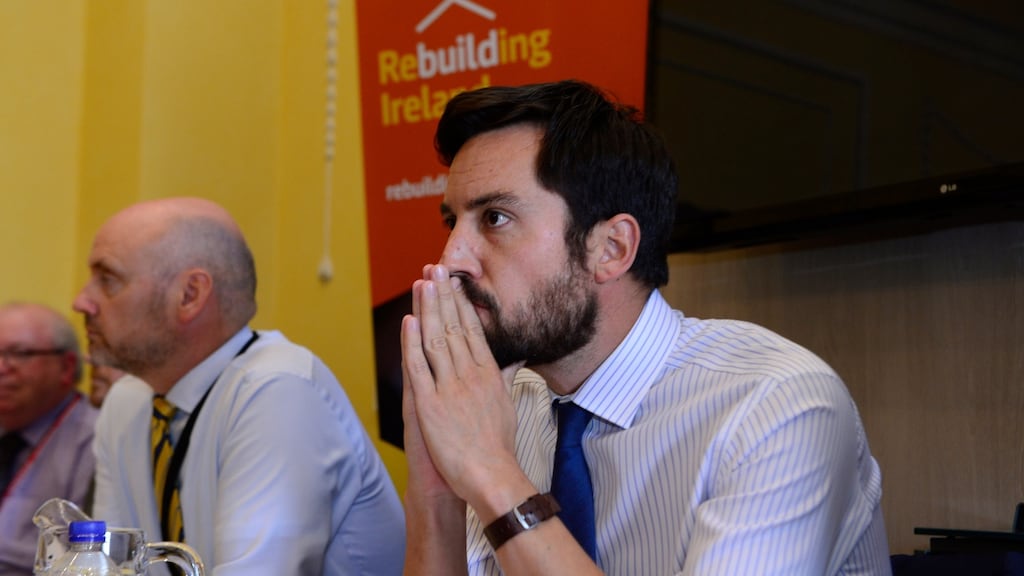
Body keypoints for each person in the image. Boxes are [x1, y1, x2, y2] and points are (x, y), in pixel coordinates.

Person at [400, 80, 892, 575]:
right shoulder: (501, 404)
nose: (451, 259)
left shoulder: (776, 405)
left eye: (495, 217)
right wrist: (436, 488)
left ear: (611, 248)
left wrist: (490, 472)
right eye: (452, 223)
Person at [72, 197, 405, 576]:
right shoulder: (127, 401)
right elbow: (107, 568)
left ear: (189, 295)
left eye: (108, 280)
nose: (81, 301)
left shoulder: (278, 390)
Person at [0, 302, 99, 575]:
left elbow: (84, 557)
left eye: (18, 354)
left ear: (66, 367)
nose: (1, 367)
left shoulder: (96, 440)